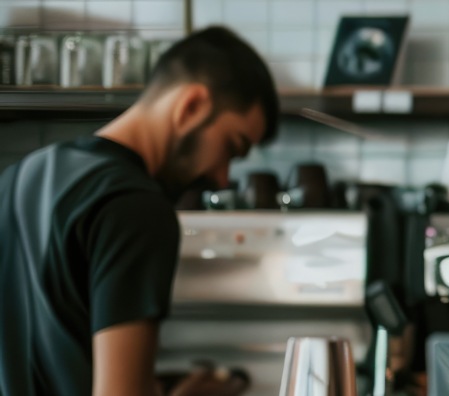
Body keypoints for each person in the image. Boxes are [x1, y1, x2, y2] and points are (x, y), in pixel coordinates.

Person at [0, 26, 280, 396]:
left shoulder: (21, 174)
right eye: (232, 147)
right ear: (192, 106)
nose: (223, 178)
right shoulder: (138, 208)